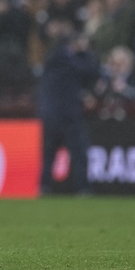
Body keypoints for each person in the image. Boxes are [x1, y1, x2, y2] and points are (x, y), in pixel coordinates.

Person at [38, 19, 100, 195]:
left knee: (49, 154)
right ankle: (82, 188)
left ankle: (45, 186)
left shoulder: (54, 57)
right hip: (67, 115)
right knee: (78, 153)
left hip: (51, 115)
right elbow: (91, 69)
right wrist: (85, 52)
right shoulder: (66, 59)